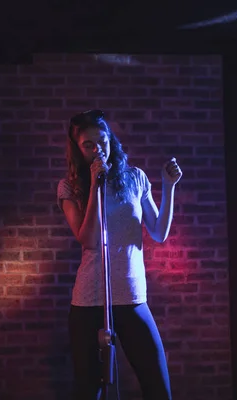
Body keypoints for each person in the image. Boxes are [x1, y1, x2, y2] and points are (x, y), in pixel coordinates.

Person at [57, 109, 182, 400]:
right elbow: (88, 239)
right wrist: (94, 186)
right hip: (89, 301)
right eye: (88, 144)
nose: (97, 148)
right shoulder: (70, 188)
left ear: (111, 140)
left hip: (131, 296)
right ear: (78, 150)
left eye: (102, 141)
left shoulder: (135, 178)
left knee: (157, 387)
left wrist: (169, 186)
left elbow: (159, 232)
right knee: (90, 391)